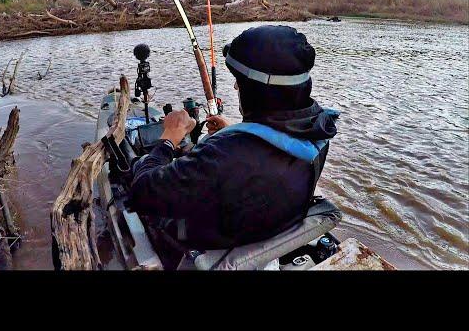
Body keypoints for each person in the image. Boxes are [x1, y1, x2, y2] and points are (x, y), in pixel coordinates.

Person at [128, 25, 339, 267]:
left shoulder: (223, 157)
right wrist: (237, 131)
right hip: (268, 231)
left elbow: (141, 193)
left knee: (138, 172)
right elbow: (266, 154)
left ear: (258, 89)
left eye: (240, 81)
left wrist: (168, 139)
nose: (237, 88)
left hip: (211, 242)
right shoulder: (319, 131)